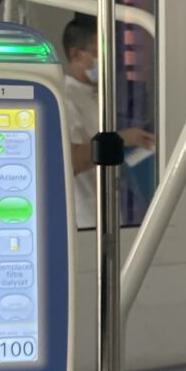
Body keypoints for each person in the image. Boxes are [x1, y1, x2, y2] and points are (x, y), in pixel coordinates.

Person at [61, 14, 154, 229]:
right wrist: (120, 140)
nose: (106, 61)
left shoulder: (96, 97)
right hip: (84, 221)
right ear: (76, 54)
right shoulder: (64, 100)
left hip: (109, 215)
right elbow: (69, 161)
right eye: (99, 53)